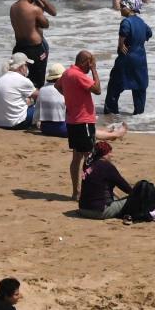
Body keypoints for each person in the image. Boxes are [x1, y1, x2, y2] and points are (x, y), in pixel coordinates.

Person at [60, 49, 102, 201]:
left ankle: (75, 192)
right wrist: (94, 70)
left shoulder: (67, 73)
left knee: (76, 157)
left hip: (72, 120)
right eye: (90, 63)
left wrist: (71, 97)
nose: (91, 66)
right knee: (90, 158)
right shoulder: (78, 75)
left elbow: (57, 87)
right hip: (83, 120)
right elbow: (97, 90)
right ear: (85, 62)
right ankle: (89, 191)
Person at [104, 0, 152, 114]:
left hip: (127, 58)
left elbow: (124, 31)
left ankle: (111, 110)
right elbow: (149, 33)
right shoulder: (142, 22)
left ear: (130, 8)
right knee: (140, 86)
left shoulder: (126, 21)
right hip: (140, 59)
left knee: (115, 83)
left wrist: (121, 44)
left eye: (122, 6)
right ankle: (139, 113)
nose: (120, 9)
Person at [9, 0, 56, 86]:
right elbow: (46, 24)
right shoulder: (34, 9)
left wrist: (41, 0)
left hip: (19, 48)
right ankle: (34, 103)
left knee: (20, 82)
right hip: (34, 50)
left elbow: (53, 12)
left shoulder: (13, 7)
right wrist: (40, 7)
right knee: (37, 83)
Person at [77, 140, 133, 219]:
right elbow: (125, 187)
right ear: (104, 154)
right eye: (109, 152)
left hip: (83, 208)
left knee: (116, 198)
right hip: (99, 211)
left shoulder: (88, 164)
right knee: (134, 199)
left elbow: (97, 184)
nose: (111, 155)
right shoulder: (107, 166)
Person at [0, 54, 38, 130]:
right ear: (21, 67)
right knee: (39, 107)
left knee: (28, 101)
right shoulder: (22, 80)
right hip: (16, 123)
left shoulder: (1, 77)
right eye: (26, 65)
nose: (27, 68)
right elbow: (40, 96)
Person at [37, 62, 69, 137]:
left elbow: (37, 115)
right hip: (62, 129)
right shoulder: (64, 90)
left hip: (45, 128)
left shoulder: (42, 89)